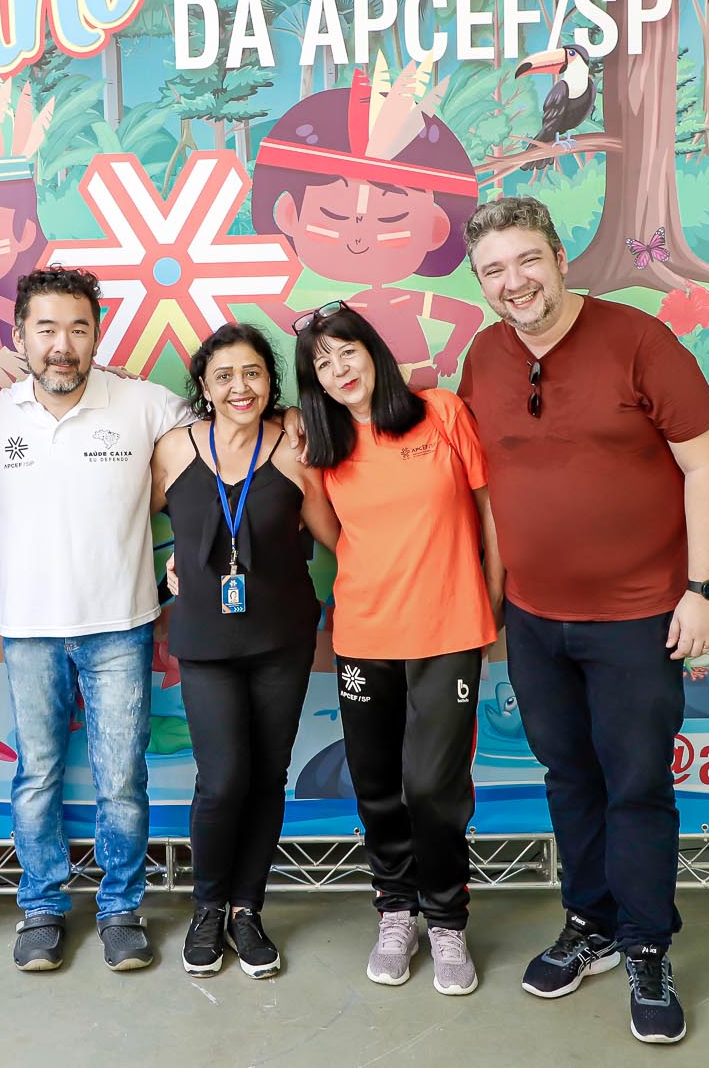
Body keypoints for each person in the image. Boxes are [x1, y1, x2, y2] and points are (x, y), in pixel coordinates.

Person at [458, 196, 709, 1046]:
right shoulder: (482, 356)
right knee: (568, 775)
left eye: (526, 260)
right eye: (494, 270)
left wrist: (705, 588)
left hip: (638, 619)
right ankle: (591, 922)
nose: (514, 282)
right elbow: (488, 487)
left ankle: (648, 944)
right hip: (536, 620)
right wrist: (491, 598)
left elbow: (707, 464)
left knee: (636, 782)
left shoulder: (641, 341)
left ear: (561, 257)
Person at [0, 265, 193, 974]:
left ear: (97, 335)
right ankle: (42, 906)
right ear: (20, 335)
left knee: (122, 778)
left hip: (121, 624)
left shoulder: (144, 404)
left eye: (78, 329)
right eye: (47, 329)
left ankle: (121, 909)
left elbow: (224, 436)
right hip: (28, 629)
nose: (62, 345)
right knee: (37, 776)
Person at [292, 303, 500, 997]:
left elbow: (488, 510)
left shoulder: (441, 412)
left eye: (345, 351)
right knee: (377, 785)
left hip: (449, 629)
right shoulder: (323, 447)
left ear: (372, 351)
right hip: (364, 634)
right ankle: (396, 911)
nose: (338, 369)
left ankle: (446, 919)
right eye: (322, 364)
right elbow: (332, 532)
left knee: (434, 787)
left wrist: (492, 596)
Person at [151, 323, 338, 979]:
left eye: (253, 372)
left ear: (270, 382)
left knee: (266, 776)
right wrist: (168, 567)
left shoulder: (291, 448)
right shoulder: (173, 449)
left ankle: (246, 909)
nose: (240, 386)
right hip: (205, 642)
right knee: (223, 777)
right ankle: (207, 906)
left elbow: (339, 536)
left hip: (281, 639)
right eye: (225, 374)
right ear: (203, 386)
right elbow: (121, 523)